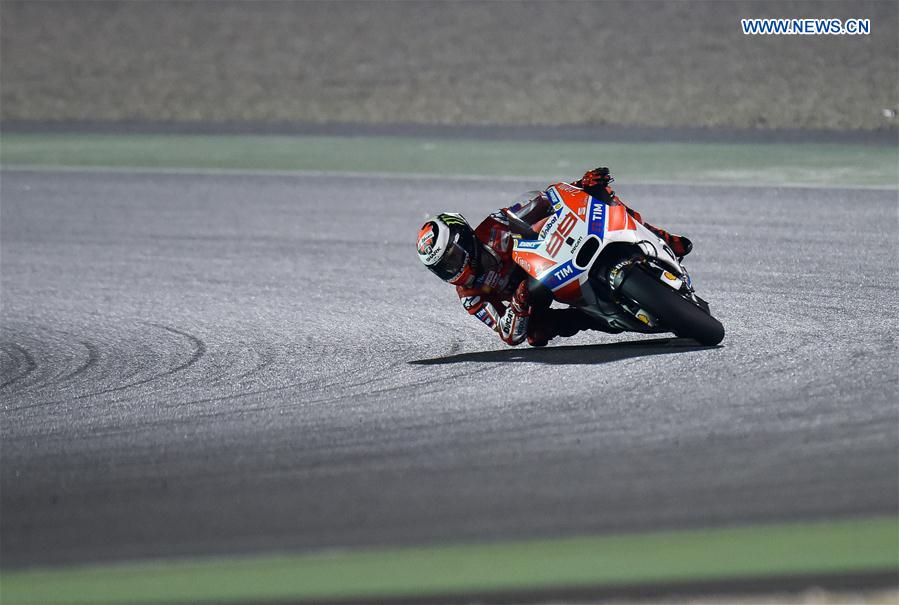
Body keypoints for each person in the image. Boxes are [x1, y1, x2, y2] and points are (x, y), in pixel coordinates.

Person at [416, 167, 692, 347]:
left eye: (451, 257)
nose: (451, 269)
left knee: (602, 197)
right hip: (534, 292)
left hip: (551, 256)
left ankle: (662, 238)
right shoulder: (470, 295)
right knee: (535, 335)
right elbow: (508, 334)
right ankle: (601, 318)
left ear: (464, 238)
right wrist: (518, 306)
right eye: (442, 268)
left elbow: (543, 203)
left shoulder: (494, 226)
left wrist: (580, 186)